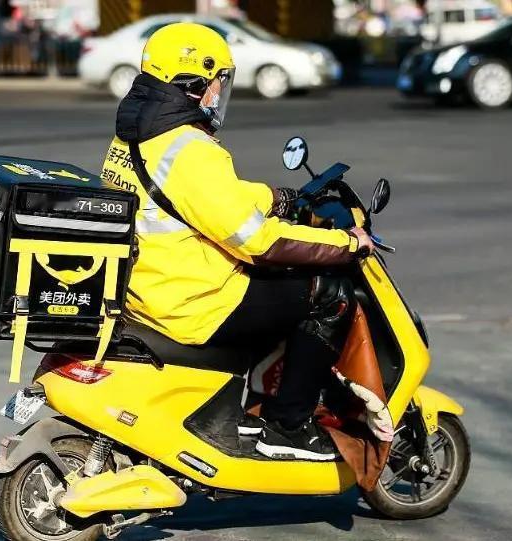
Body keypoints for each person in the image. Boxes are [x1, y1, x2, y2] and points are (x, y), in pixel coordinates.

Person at [100, 23, 373, 461]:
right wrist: (347, 243)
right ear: (193, 84)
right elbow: (259, 242)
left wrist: (275, 198)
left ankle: (244, 404)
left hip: (150, 287)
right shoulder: (192, 148)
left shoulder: (136, 136)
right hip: (193, 302)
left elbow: (197, 199)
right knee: (329, 294)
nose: (218, 93)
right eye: (216, 82)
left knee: (277, 291)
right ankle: (288, 428)